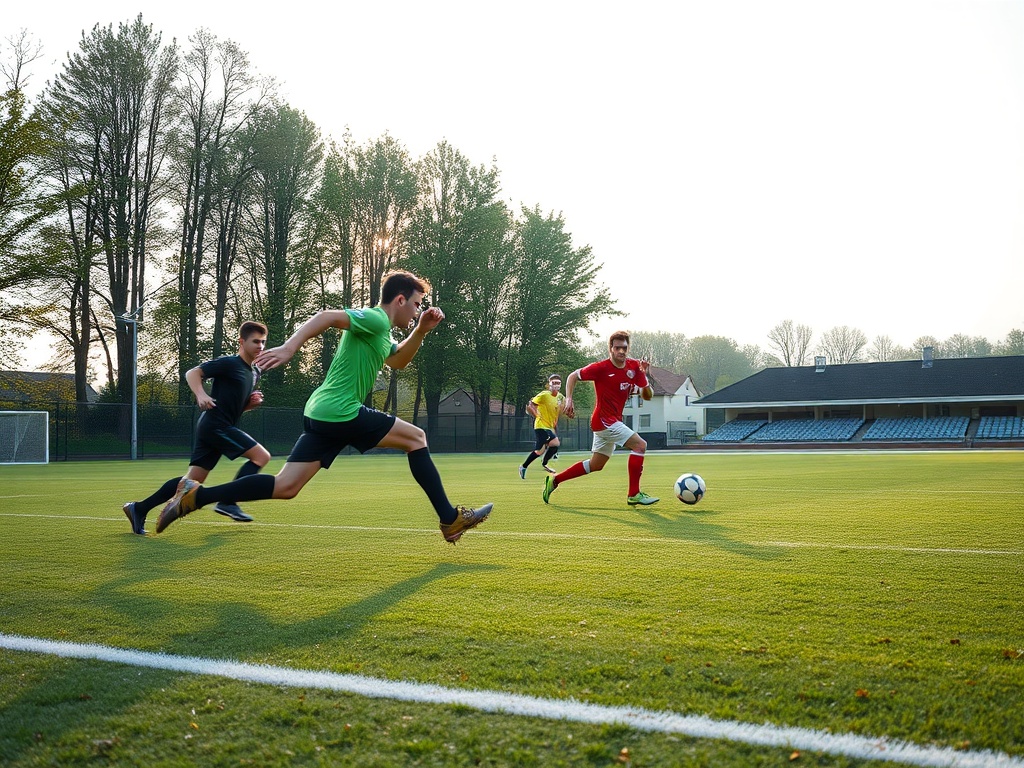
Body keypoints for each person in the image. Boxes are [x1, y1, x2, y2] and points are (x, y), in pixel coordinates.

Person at [155, 270, 493, 544]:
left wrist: (420, 330)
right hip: (340, 410)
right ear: (400, 299)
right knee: (416, 438)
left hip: (321, 412)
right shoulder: (375, 318)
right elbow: (328, 316)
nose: (418, 310)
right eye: (416, 305)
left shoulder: (381, 333)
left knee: (286, 487)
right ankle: (450, 519)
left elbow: (399, 360)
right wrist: (289, 348)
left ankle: (193, 498)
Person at [122, 322, 271, 535]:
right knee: (261, 457)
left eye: (263, 342)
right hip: (216, 425)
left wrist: (249, 405)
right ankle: (228, 502)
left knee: (190, 483)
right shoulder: (229, 363)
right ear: (242, 342)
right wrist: (201, 395)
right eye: (256, 341)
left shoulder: (254, 372)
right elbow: (193, 373)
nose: (260, 346)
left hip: (218, 425)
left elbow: (233, 406)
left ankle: (139, 508)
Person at [542, 330, 660, 506]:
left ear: (628, 349)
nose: (621, 351)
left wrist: (645, 374)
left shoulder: (635, 366)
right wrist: (569, 399)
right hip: (604, 420)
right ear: (611, 349)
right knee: (640, 445)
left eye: (624, 348)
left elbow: (648, 395)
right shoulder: (601, 368)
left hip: (612, 421)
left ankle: (555, 480)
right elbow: (572, 376)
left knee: (596, 465)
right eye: (617, 348)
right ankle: (634, 494)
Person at [518, 374, 565, 478]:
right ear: (549, 385)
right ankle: (544, 463)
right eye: (554, 383)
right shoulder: (544, 395)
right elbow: (531, 404)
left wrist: (569, 411)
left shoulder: (560, 397)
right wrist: (536, 414)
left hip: (549, 426)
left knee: (539, 451)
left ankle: (524, 466)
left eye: (558, 383)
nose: (556, 385)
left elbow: (564, 407)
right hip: (540, 426)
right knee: (555, 443)